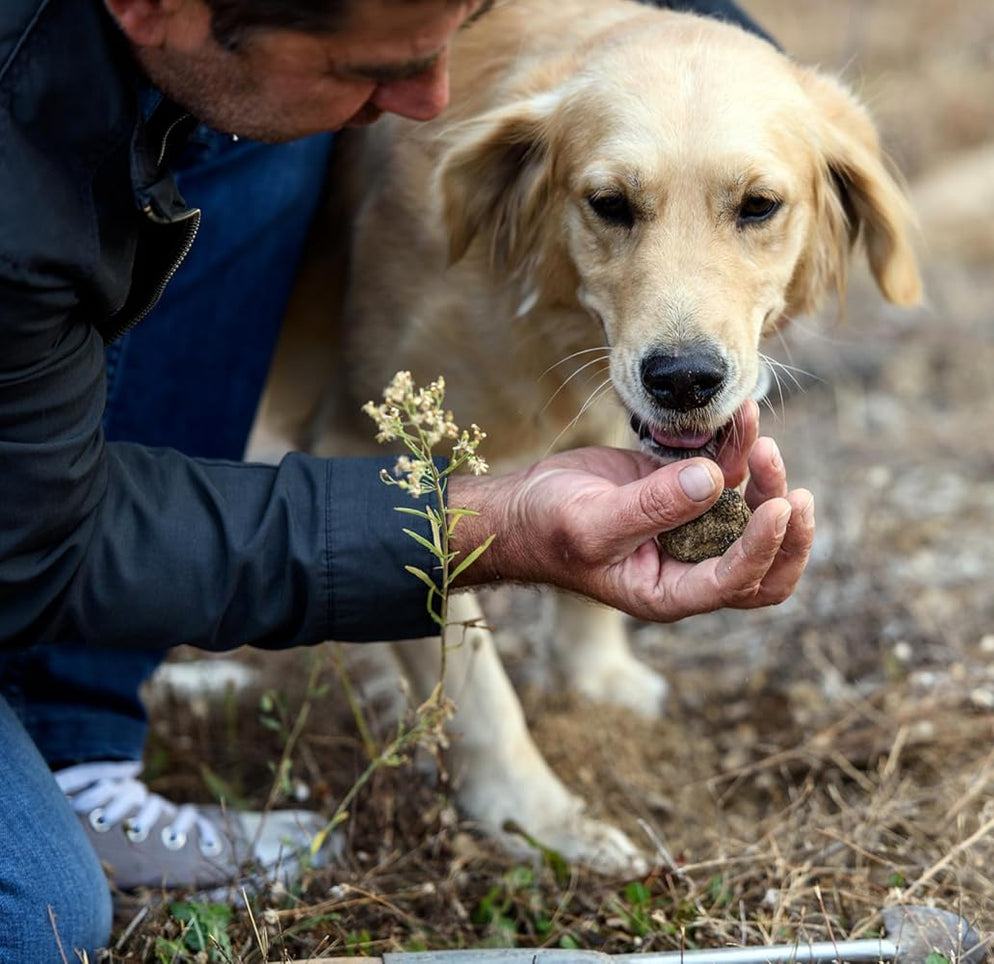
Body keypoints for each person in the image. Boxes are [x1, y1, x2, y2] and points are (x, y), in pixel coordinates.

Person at [0, 0, 811, 958]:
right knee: (39, 920)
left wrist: (714, 68)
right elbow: (39, 539)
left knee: (264, 120)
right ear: (153, 6)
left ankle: (79, 693)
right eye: (368, 65)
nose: (433, 98)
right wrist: (492, 529)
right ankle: (73, 733)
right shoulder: (20, 207)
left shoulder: (222, 63)